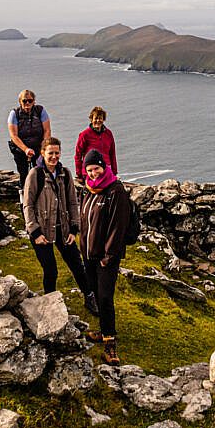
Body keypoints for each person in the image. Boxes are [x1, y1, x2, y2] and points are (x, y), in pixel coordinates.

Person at [23, 137, 97, 314]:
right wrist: (35, 232)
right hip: (42, 232)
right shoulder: (35, 174)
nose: (54, 156)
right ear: (42, 153)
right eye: (50, 153)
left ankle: (89, 297)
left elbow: (72, 202)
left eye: (57, 153)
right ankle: (50, 305)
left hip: (63, 230)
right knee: (51, 270)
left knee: (77, 265)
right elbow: (28, 205)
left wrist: (73, 228)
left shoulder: (65, 173)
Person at [79, 149, 131, 365]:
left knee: (105, 298)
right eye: (89, 170)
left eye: (96, 169)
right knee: (96, 294)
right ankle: (103, 330)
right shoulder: (89, 189)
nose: (92, 173)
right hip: (89, 255)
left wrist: (108, 256)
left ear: (104, 167)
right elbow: (85, 220)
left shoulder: (115, 191)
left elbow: (118, 227)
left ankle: (110, 344)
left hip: (105, 258)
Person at [7, 89, 51, 191]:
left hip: (38, 147)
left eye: (30, 101)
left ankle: (41, 194)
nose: (27, 103)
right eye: (24, 101)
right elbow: (14, 135)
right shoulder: (14, 114)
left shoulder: (40, 111)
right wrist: (26, 149)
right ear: (20, 102)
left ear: (34, 101)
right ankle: (25, 197)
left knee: (40, 172)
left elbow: (47, 130)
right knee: (24, 174)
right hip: (20, 148)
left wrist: (43, 148)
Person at [74, 106, 118, 184]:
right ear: (91, 119)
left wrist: (114, 172)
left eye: (100, 118)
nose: (98, 121)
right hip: (91, 172)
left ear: (103, 119)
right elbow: (78, 155)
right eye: (95, 118)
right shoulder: (85, 135)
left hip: (106, 170)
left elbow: (112, 153)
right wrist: (79, 174)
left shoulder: (108, 133)